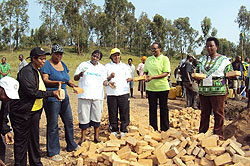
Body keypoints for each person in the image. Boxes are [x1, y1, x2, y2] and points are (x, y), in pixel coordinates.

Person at [9, 47, 61, 166]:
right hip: (22, 113)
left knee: (34, 139)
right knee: (21, 142)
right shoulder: (26, 72)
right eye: (41, 59)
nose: (44, 61)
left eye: (44, 59)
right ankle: (20, 163)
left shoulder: (37, 70)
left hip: (34, 112)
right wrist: (51, 93)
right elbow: (33, 92)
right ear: (33, 58)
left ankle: (36, 163)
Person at [41, 44, 79, 161]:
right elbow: (45, 79)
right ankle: (52, 152)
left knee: (69, 121)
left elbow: (67, 79)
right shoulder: (47, 64)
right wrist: (57, 82)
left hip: (64, 97)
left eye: (60, 54)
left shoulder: (63, 64)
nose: (58, 56)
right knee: (53, 125)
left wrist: (72, 84)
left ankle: (71, 145)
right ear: (52, 53)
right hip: (52, 98)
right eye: (56, 54)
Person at [195, 37, 233, 140]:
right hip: (204, 91)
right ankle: (202, 133)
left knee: (218, 112)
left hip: (218, 90)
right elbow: (197, 71)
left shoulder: (224, 60)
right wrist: (196, 76)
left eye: (211, 46)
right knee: (204, 112)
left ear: (216, 46)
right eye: (207, 46)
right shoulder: (202, 59)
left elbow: (230, 72)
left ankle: (218, 134)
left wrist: (232, 76)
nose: (209, 48)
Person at [74, 50, 106, 144]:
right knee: (83, 117)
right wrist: (79, 75)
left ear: (99, 59)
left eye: (97, 57)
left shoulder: (102, 68)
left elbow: (104, 81)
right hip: (84, 95)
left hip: (97, 96)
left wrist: (108, 83)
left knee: (97, 116)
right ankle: (83, 137)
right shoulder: (83, 65)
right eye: (93, 56)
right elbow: (75, 78)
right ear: (91, 56)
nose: (94, 58)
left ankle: (96, 137)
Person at [105, 48, 133, 137]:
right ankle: (114, 129)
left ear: (120, 56)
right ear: (111, 56)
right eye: (114, 55)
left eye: (118, 55)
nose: (116, 57)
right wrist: (110, 78)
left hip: (123, 92)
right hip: (111, 93)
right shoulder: (107, 66)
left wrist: (132, 79)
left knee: (124, 111)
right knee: (112, 112)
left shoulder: (125, 66)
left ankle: (124, 129)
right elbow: (104, 80)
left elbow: (128, 78)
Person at [143, 42, 171, 131]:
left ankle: (165, 129)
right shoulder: (148, 60)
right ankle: (153, 128)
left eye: (155, 49)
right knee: (152, 109)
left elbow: (166, 73)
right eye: (152, 49)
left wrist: (153, 77)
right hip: (151, 88)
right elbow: (145, 71)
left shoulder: (164, 59)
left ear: (160, 49)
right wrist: (144, 76)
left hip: (162, 87)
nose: (153, 51)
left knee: (163, 108)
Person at [0, 76, 19, 166]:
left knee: (1, 147)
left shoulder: (5, 100)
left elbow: (2, 118)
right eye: (7, 94)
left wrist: (6, 130)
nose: (9, 98)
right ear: (1, 88)